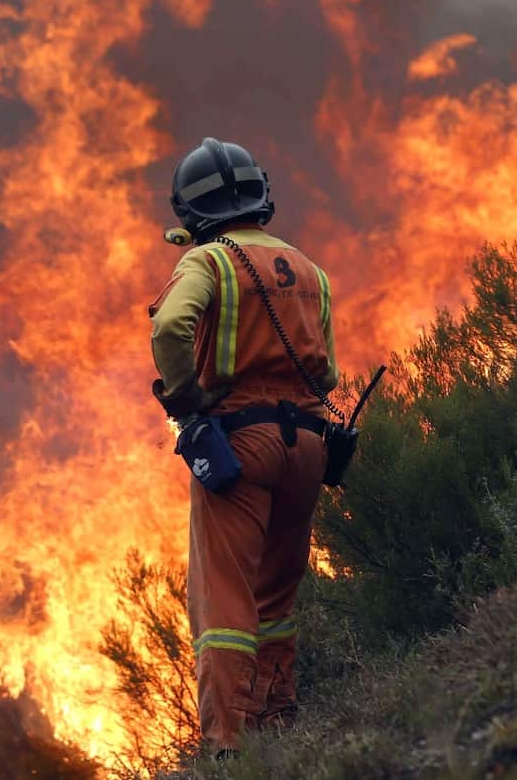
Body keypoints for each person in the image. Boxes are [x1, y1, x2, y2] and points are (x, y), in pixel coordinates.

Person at [148, 137, 339, 756]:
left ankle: (229, 747)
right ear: (261, 195)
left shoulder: (208, 263)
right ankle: (278, 723)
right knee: (277, 597)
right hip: (308, 447)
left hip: (239, 447)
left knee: (224, 602)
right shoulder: (310, 269)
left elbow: (171, 325)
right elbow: (328, 376)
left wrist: (185, 401)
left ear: (190, 212)